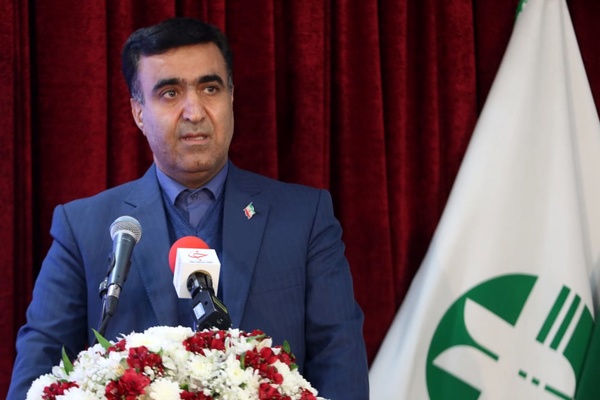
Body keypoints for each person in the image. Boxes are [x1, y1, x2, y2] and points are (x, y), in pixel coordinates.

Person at [7, 17, 369, 399]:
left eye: (210, 88)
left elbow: (341, 366)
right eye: (170, 93)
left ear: (231, 97)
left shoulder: (304, 218)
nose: (194, 112)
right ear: (138, 112)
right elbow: (36, 377)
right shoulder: (84, 228)